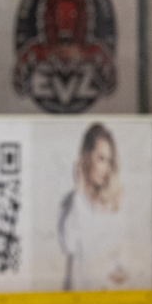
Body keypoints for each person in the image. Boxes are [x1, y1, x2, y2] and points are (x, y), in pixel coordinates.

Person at [58, 122, 128, 290]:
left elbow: (121, 257)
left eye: (109, 161)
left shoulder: (113, 207)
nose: (106, 168)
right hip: (77, 299)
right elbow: (68, 245)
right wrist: (78, 193)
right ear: (86, 158)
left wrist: (122, 270)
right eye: (101, 159)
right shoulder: (69, 203)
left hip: (108, 297)